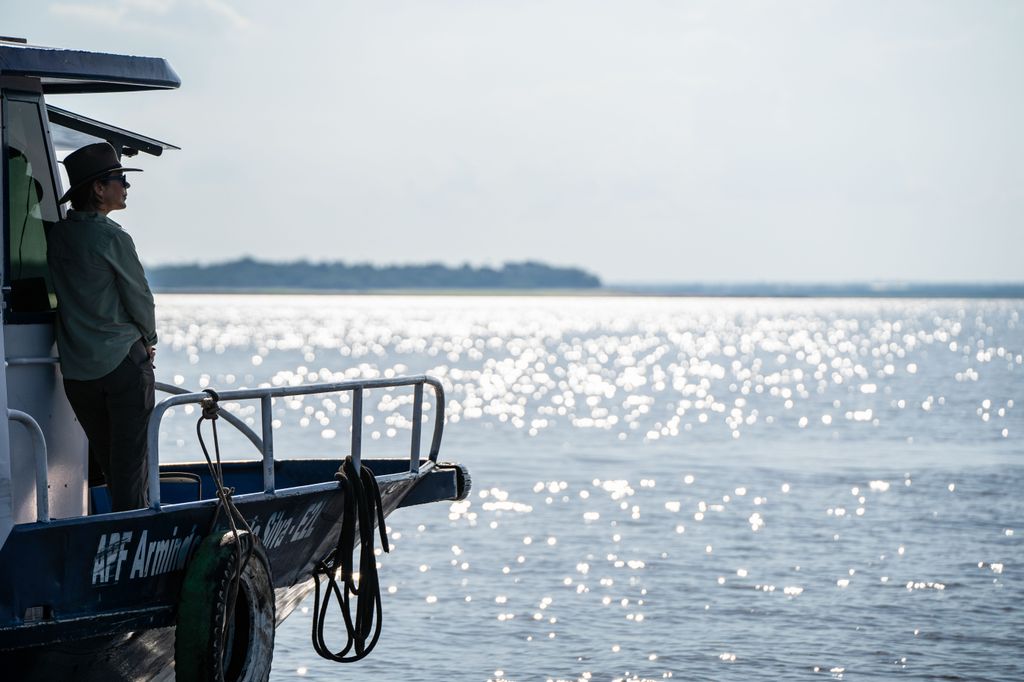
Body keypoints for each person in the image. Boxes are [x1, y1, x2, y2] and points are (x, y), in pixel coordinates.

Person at [47, 142, 157, 512]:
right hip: (122, 365)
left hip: (79, 373)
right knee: (131, 469)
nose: (126, 187)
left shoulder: (58, 236)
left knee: (110, 466)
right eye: (120, 179)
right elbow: (139, 298)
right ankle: (136, 546)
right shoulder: (112, 237)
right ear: (98, 188)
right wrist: (150, 341)